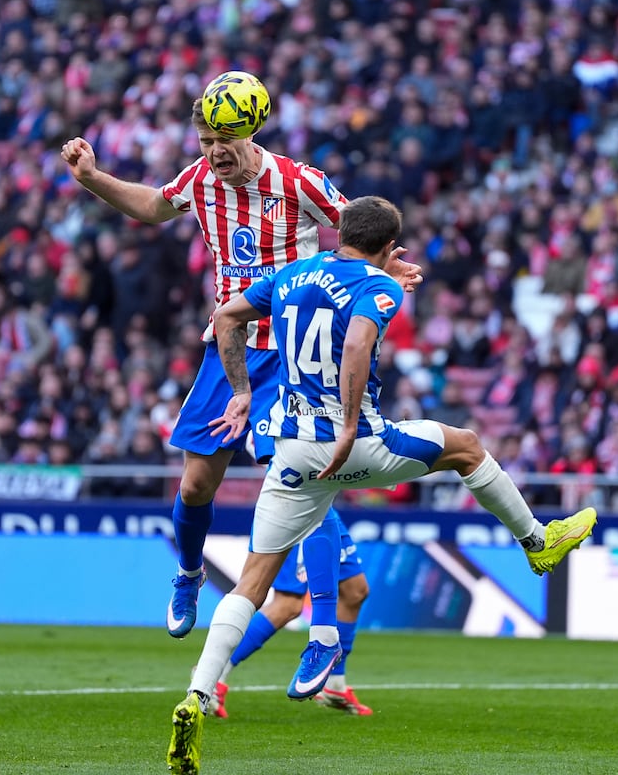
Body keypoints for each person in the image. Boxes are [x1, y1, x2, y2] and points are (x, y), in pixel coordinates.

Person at [166, 196, 597, 775]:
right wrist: (348, 425)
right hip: (356, 442)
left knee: (252, 582)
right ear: (392, 244)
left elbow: (225, 318)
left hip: (290, 450)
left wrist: (241, 389)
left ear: (339, 230)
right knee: (467, 445)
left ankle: (197, 693)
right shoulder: (380, 290)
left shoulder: (291, 273)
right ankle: (536, 542)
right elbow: (357, 340)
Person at [60, 80, 421, 642]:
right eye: (205, 139)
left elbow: (359, 234)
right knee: (197, 484)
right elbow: (154, 207)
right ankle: (188, 572)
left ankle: (322, 632)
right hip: (229, 346)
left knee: (301, 472)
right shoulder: (200, 179)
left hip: (295, 352)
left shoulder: (298, 181)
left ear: (252, 132)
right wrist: (92, 179)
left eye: (225, 138)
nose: (214, 151)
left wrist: (385, 273)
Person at [212, 508, 373, 718]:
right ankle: (215, 673)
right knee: (287, 604)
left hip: (325, 504)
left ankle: (333, 683)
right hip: (303, 500)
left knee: (355, 591)